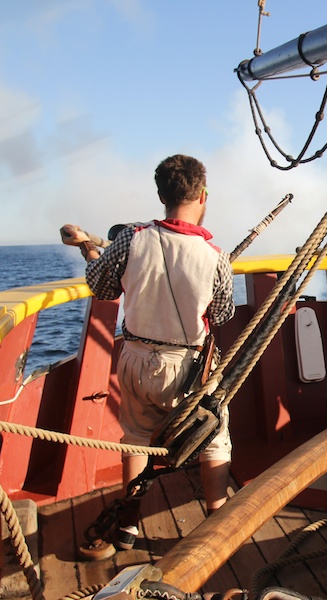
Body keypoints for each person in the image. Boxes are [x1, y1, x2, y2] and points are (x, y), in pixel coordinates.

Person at [61, 154, 235, 559]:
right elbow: (223, 313)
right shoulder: (214, 256)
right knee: (214, 437)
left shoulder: (131, 238)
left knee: (137, 439)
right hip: (189, 367)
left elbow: (102, 286)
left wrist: (89, 249)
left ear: (161, 195)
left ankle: (126, 526)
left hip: (136, 358)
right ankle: (215, 518)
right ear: (203, 196)